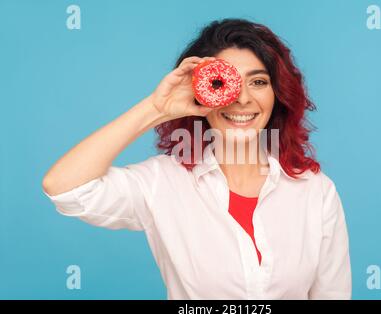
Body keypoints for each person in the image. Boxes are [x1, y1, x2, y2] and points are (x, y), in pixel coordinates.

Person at [42, 18, 351, 299]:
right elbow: (64, 187)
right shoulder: (162, 183)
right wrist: (157, 108)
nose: (242, 99)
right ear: (199, 94)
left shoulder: (315, 191)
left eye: (258, 82)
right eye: (224, 84)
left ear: (277, 94)